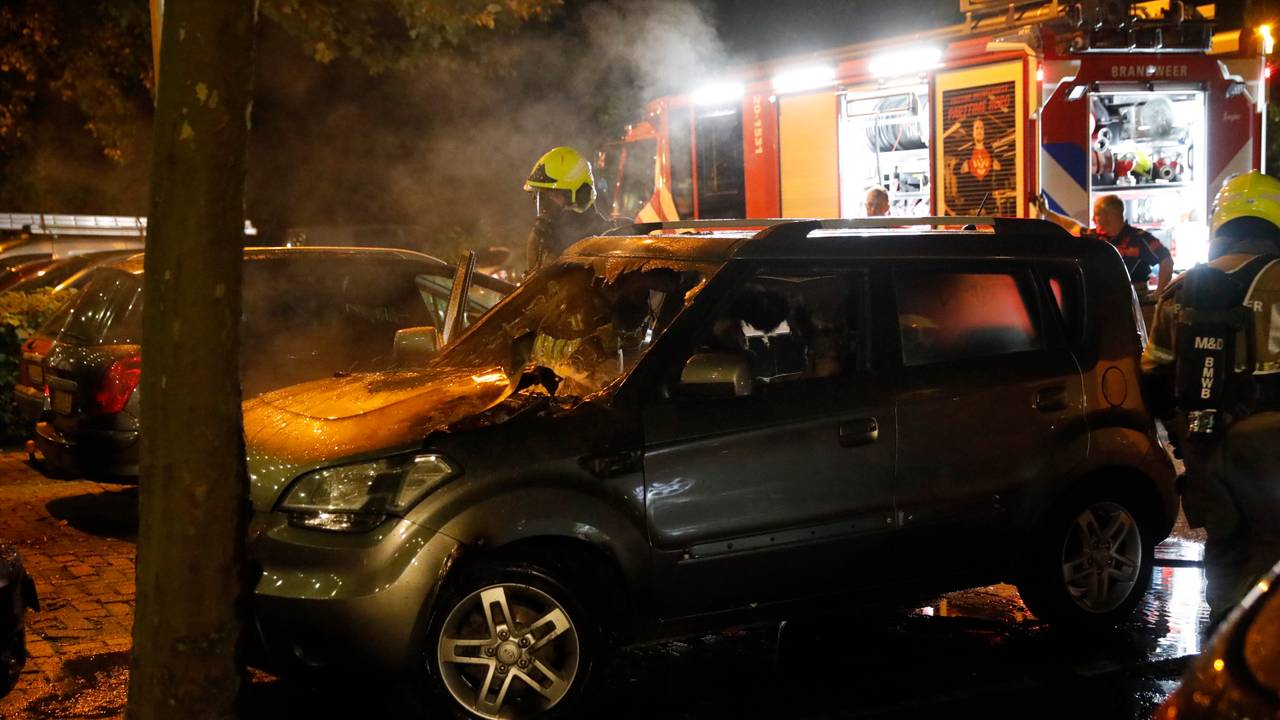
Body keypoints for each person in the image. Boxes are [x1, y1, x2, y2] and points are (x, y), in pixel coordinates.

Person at [1140, 170, 1280, 627]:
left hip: (1203, 444)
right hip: (1269, 445)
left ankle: (1220, 646)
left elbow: (1152, 376)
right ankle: (1256, 657)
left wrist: (1183, 435)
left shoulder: (1181, 289)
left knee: (1223, 545)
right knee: (1271, 548)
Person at [523, 146, 611, 279]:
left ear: (581, 196)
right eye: (542, 197)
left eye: (553, 195)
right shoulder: (545, 239)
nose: (546, 206)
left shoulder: (607, 244)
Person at [1092, 194, 1174, 301]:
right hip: (1105, 302)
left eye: (1097, 214)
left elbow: (1166, 260)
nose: (1093, 219)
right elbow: (1073, 227)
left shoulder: (1140, 238)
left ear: (1110, 216)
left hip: (1135, 303)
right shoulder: (1096, 237)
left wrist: (1159, 295)